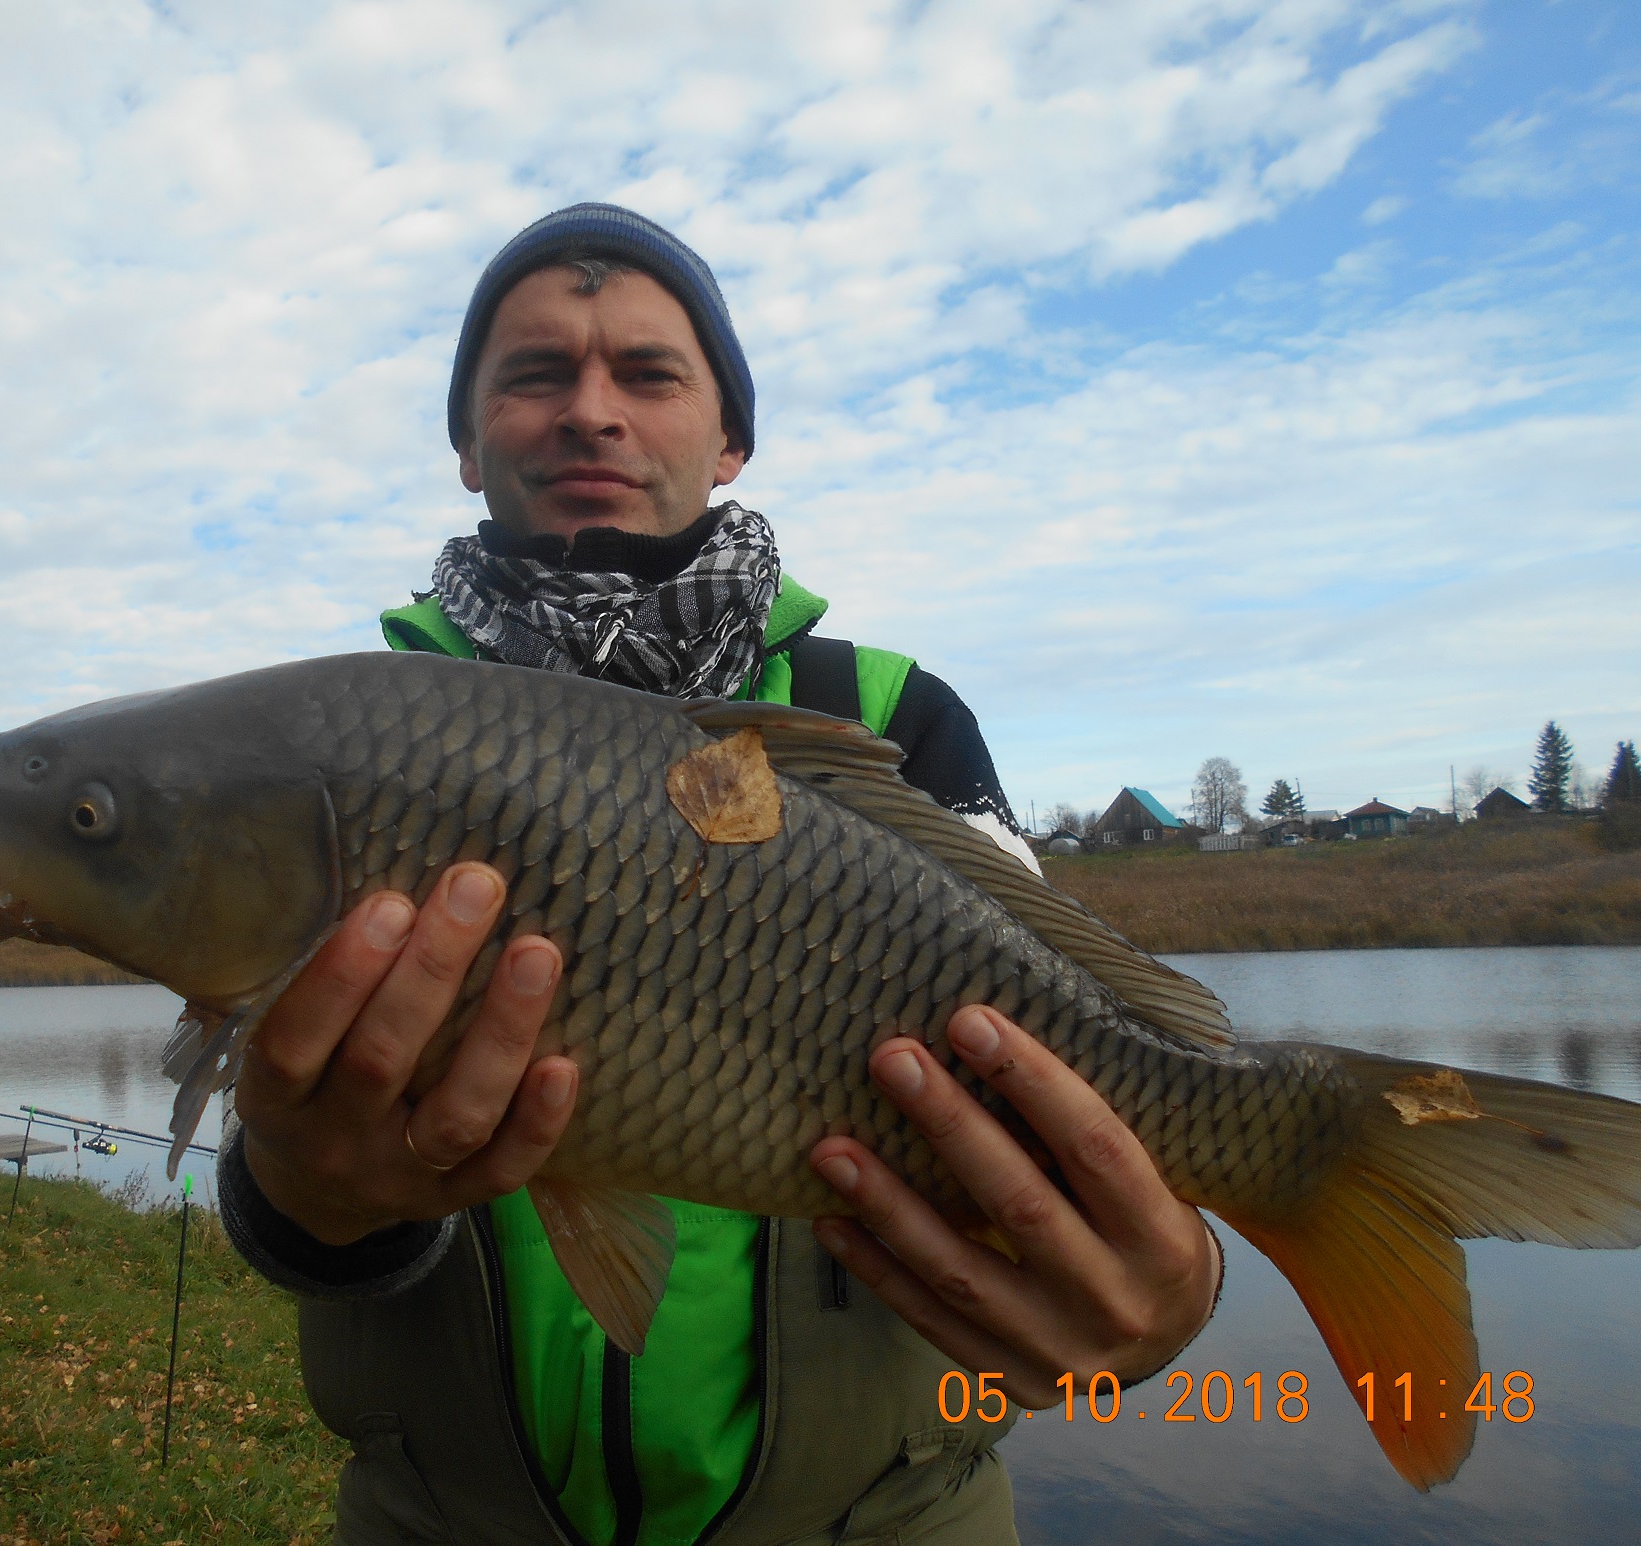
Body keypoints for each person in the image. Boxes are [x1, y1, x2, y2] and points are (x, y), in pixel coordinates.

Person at [218, 204, 1220, 1545]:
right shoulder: (353, 751)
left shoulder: (893, 722)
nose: (591, 412)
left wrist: (1171, 1279)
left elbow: (1074, 1065)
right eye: (534, 374)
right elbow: (283, 1171)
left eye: (647, 373)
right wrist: (308, 1197)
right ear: (466, 444)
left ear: (729, 437)